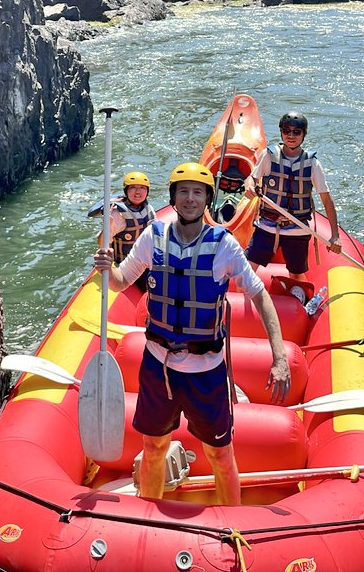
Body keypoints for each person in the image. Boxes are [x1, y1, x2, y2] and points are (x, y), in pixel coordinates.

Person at [93, 162, 290, 504]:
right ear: (173, 197)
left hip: (206, 371)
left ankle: (233, 525)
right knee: (153, 447)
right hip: (159, 367)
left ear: (207, 200)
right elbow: (122, 281)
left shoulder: (223, 245)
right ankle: (149, 518)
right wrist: (104, 268)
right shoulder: (153, 236)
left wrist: (280, 357)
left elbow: (259, 295)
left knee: (220, 455)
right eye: (182, 192)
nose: (189, 199)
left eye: (197, 192)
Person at [245, 111, 341, 283]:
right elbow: (251, 178)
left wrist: (335, 236)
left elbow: (327, 200)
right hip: (267, 226)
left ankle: (302, 302)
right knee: (247, 269)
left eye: (296, 132)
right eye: (286, 130)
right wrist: (249, 185)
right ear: (281, 132)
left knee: (296, 274)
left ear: (304, 134)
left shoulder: (312, 164)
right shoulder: (268, 156)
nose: (290, 135)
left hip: (297, 228)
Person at [95, 171, 156, 291]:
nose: (137, 192)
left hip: (144, 261)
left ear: (147, 191)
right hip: (124, 264)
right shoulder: (117, 214)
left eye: (142, 188)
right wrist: (107, 227)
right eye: (132, 187)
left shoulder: (148, 209)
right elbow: (102, 244)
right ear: (126, 191)